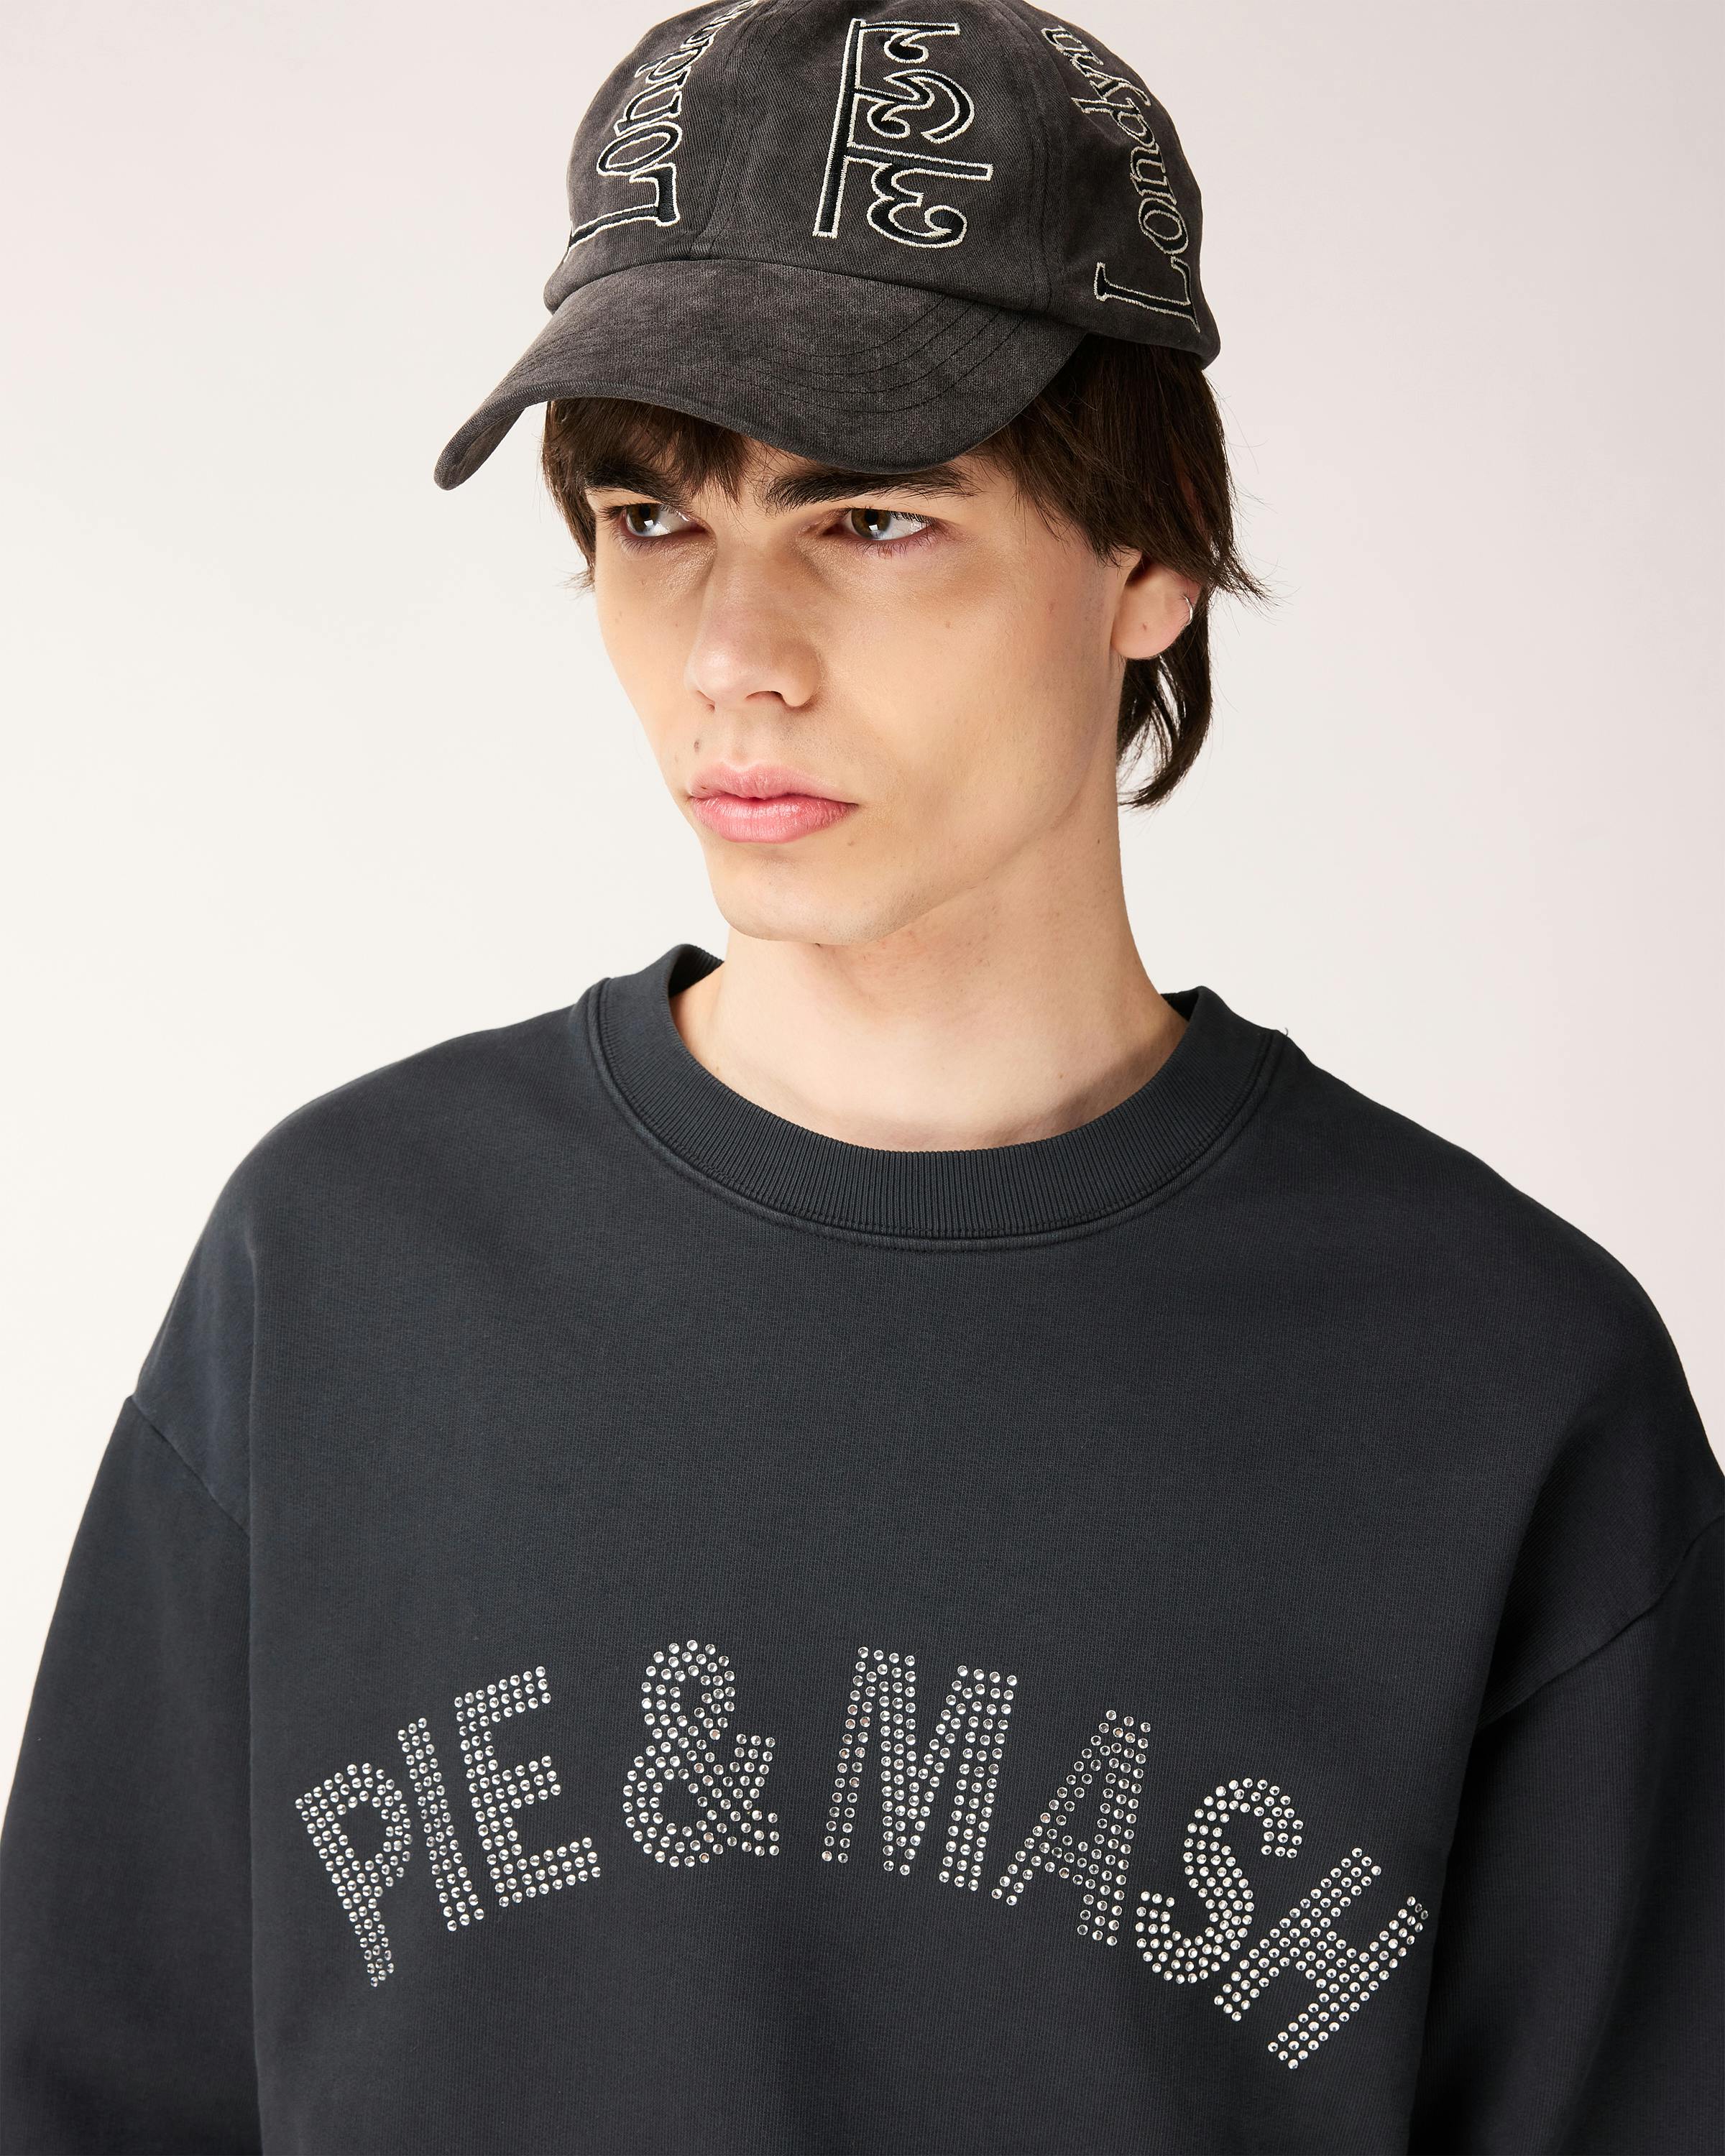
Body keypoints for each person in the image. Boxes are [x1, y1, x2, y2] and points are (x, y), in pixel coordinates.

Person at [2, 1, 1719, 2150]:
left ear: (1149, 561)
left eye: (874, 521)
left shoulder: (1501, 1385)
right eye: (652, 519)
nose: (735, 657)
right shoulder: (342, 1268)